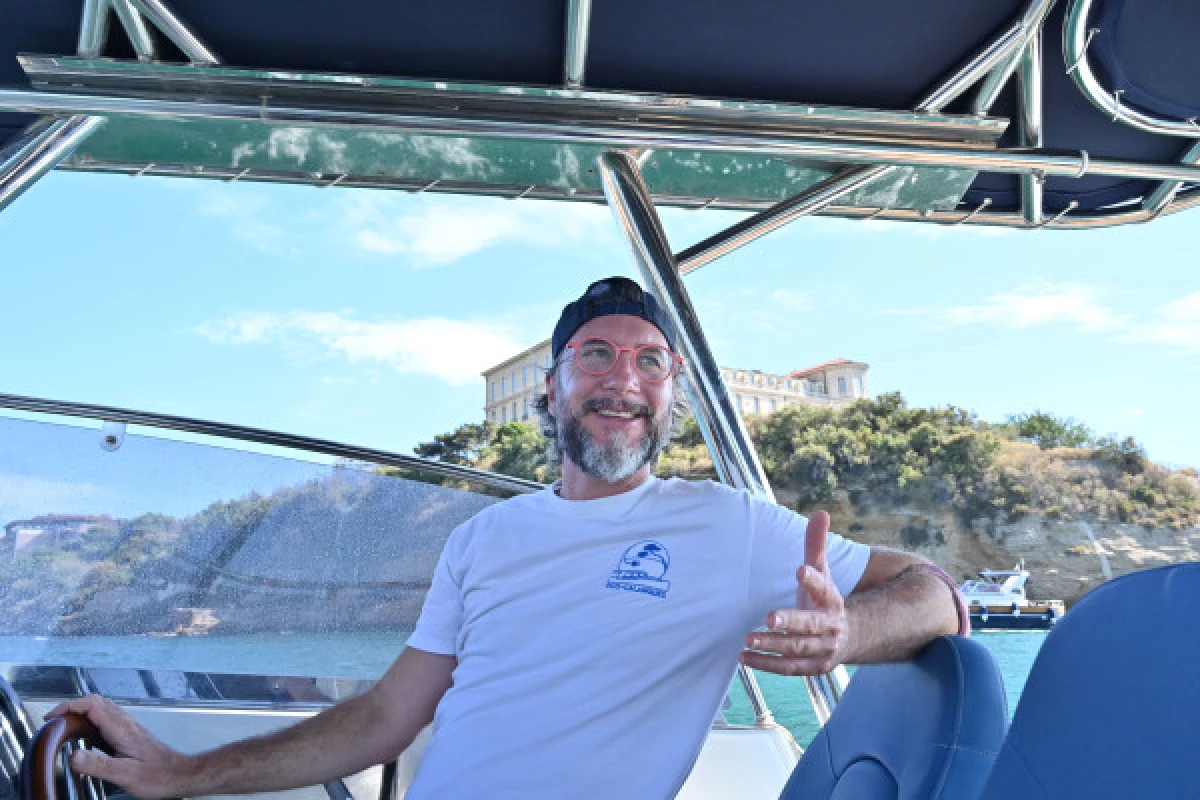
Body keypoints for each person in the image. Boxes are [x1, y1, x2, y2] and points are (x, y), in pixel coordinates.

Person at [53, 277, 968, 799]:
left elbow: (941, 594)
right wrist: (182, 773)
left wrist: (848, 634)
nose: (625, 376)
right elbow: (382, 721)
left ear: (670, 401)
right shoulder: (483, 538)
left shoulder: (724, 524)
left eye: (652, 361)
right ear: (551, 391)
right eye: (597, 355)